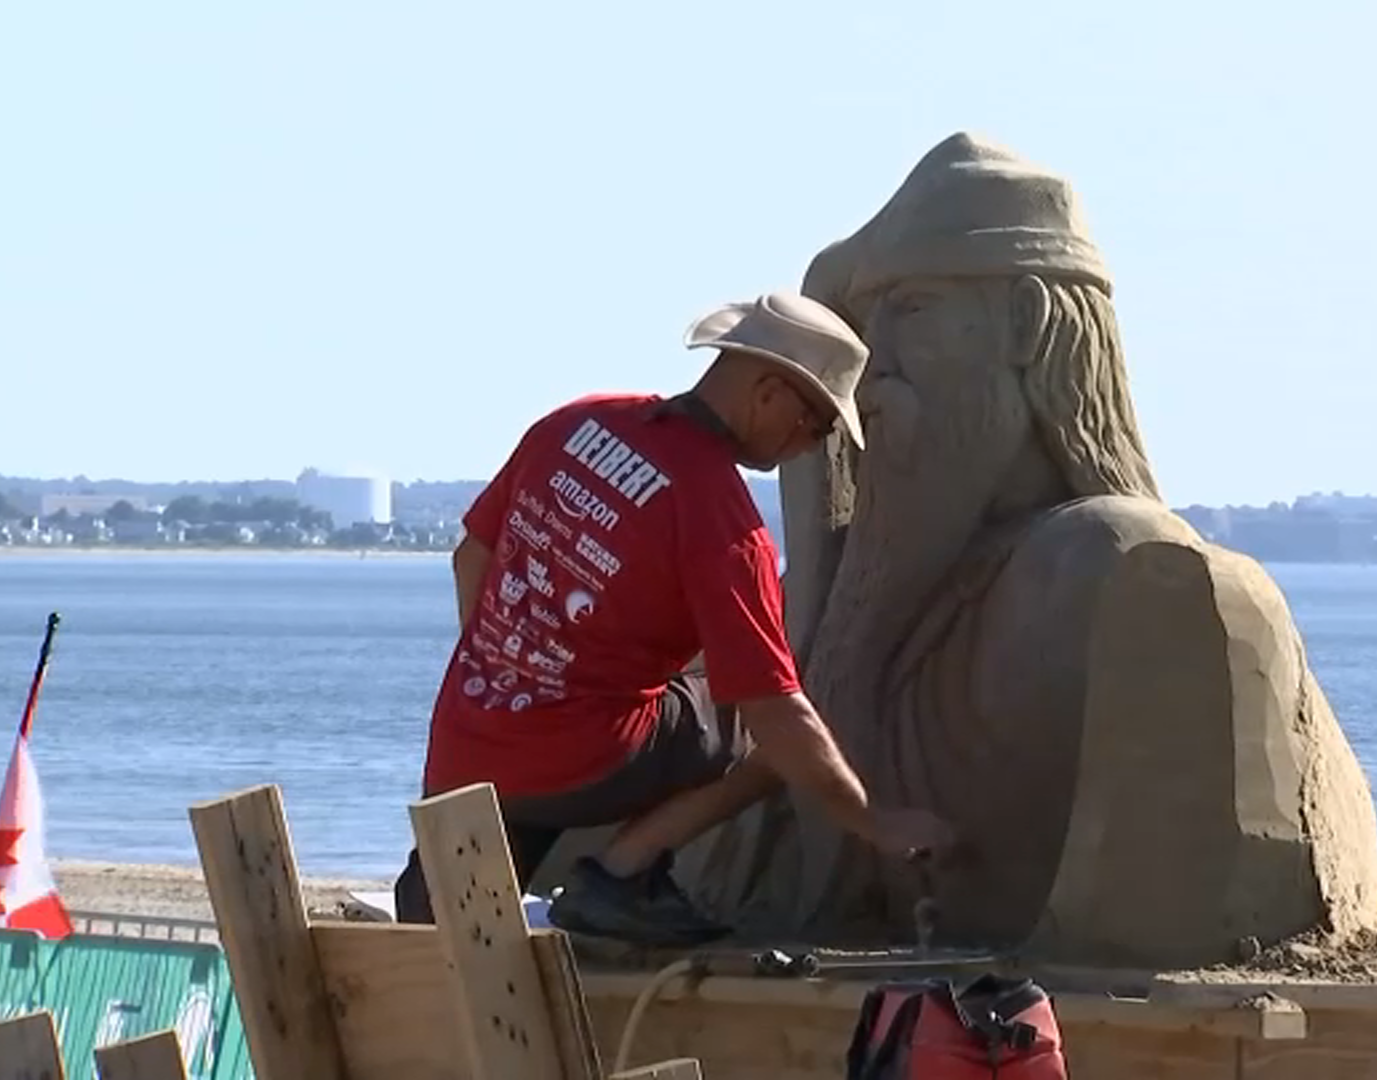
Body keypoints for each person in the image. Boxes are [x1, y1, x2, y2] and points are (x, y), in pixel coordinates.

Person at [393, 290, 956, 947]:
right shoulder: (722, 523)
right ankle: (620, 874)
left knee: (594, 733)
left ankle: (436, 881)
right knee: (766, 741)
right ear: (769, 392)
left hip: (467, 735)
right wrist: (873, 821)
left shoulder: (575, 422)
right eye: (819, 424)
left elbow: (472, 557)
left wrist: (519, 671)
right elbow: (775, 710)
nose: (810, 448)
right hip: (582, 758)